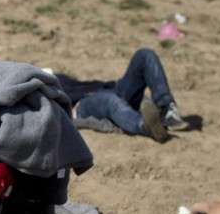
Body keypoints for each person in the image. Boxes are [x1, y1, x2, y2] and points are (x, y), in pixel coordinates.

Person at [55, 48, 188, 144]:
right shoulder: (39, 85)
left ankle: (167, 111)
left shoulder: (50, 75)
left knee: (144, 55)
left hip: (110, 89)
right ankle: (146, 127)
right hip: (81, 105)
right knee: (111, 102)